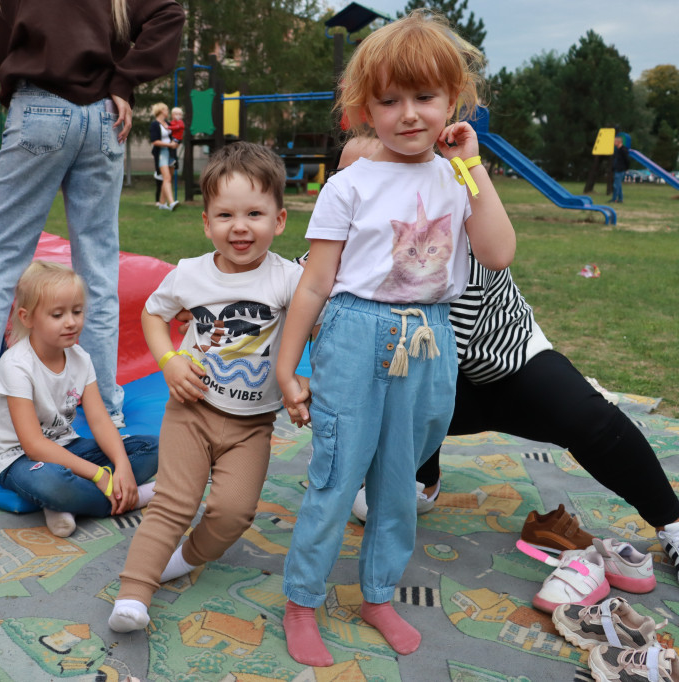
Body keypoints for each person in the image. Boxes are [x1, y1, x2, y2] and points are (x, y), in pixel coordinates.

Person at [340, 137, 679, 604]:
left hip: (507, 363)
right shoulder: (344, 240)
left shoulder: (452, 230)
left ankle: (677, 526)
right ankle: (423, 480)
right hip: (432, 378)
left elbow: (439, 347)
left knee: (588, 418)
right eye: (349, 182)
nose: (363, 193)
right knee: (391, 394)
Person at [275, 11, 516, 667]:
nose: (409, 114)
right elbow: (315, 282)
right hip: (355, 333)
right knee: (336, 474)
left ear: (453, 103)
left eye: (425, 98)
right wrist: (286, 363)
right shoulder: (348, 186)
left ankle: (378, 594)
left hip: (430, 341)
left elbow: (497, 253)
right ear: (364, 108)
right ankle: (302, 601)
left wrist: (474, 170)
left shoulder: (458, 180)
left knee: (398, 481)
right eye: (390, 100)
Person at [0, 0, 185, 435]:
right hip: (104, 117)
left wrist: (35, 53)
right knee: (98, 268)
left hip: (41, 107)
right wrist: (121, 77)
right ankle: (106, 406)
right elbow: (168, 14)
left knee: (0, 262)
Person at [108, 142, 314, 633]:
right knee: (175, 502)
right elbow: (153, 315)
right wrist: (170, 360)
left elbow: (317, 329)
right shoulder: (190, 274)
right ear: (206, 223)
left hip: (252, 424)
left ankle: (185, 557)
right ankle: (133, 594)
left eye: (254, 213)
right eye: (224, 214)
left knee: (233, 512)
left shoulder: (289, 279)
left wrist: (303, 379)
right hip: (191, 410)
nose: (239, 227)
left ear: (280, 220)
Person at [0, 261, 160, 538]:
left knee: (154, 448)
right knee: (51, 482)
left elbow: (100, 420)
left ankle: (68, 503)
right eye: (57, 314)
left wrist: (123, 467)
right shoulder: (16, 366)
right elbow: (33, 446)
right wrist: (100, 475)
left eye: (77, 312)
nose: (71, 322)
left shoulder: (81, 359)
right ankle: (128, 497)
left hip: (70, 447)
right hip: (21, 460)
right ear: (27, 317)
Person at [150, 102, 180, 210]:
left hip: (171, 153)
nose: (168, 112)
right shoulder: (154, 125)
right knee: (166, 177)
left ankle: (162, 204)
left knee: (168, 178)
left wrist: (175, 142)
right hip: (161, 153)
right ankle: (171, 203)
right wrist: (169, 144)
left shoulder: (168, 123)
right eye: (166, 110)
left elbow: (175, 135)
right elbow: (154, 141)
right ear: (162, 111)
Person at [612, 134, 629, 203]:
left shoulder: (623, 150)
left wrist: (626, 168)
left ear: (619, 142)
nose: (613, 143)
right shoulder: (617, 150)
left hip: (620, 170)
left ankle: (614, 199)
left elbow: (627, 160)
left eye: (614, 141)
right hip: (616, 169)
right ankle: (620, 199)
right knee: (618, 185)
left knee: (616, 185)